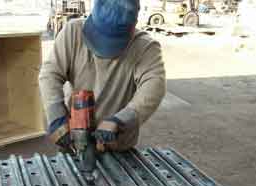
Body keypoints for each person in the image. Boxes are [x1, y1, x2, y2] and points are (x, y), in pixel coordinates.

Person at [39, 0, 166, 152]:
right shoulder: (73, 32)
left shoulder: (145, 48)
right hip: (73, 137)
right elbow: (50, 74)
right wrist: (57, 115)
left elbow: (153, 88)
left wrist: (120, 120)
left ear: (133, 26)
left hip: (117, 143)